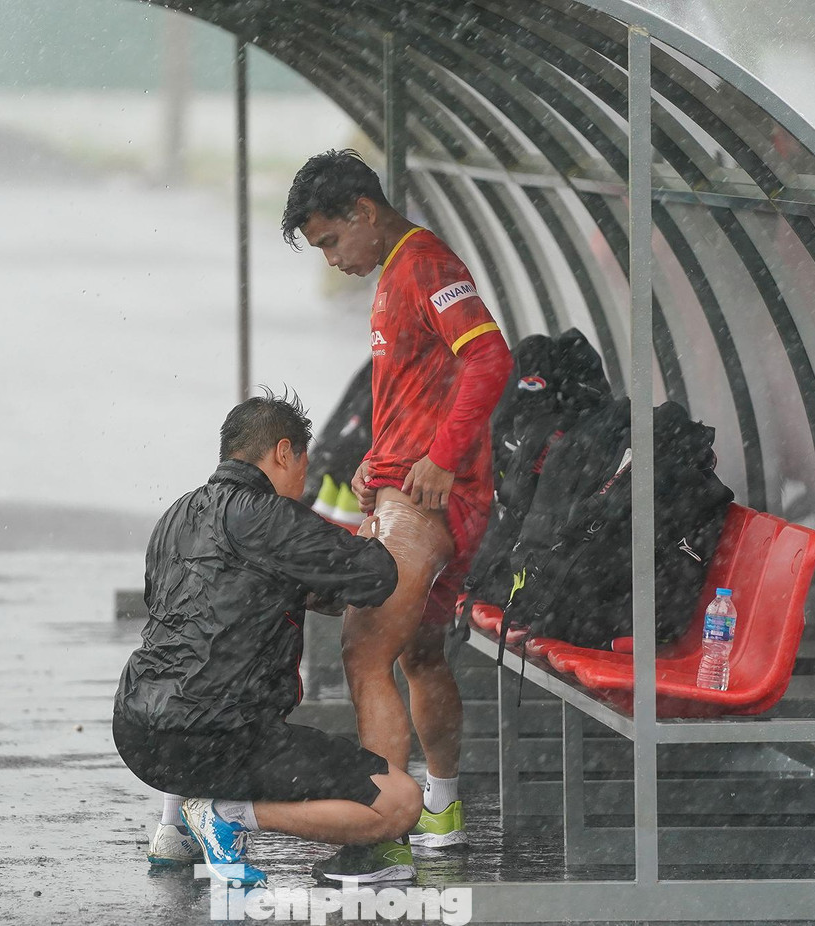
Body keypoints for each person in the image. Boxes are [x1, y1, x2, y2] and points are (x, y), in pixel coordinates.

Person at [281, 150, 514, 877]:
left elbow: (490, 358)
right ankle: (440, 809)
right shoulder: (398, 273)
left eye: (329, 241)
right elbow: (424, 384)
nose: (330, 258)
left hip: (429, 500)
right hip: (405, 485)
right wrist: (382, 454)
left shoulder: (426, 265)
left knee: (362, 647)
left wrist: (441, 458)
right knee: (418, 652)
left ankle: (378, 838)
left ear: (364, 212)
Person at [113, 392, 424, 887]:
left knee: (190, 674)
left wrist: (296, 582)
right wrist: (392, 527)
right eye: (303, 462)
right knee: (400, 803)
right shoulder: (272, 517)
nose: (303, 478)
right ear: (283, 452)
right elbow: (376, 575)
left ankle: (176, 827)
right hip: (218, 741)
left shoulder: (176, 514)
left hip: (137, 731)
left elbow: (193, 612)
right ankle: (228, 813)